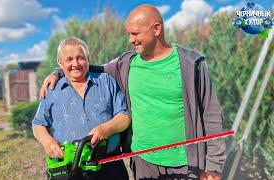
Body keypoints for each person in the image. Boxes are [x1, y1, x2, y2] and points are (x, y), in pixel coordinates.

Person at [40, 4, 225, 180]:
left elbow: (211, 115)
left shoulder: (191, 64)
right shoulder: (126, 64)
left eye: (135, 33)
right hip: (143, 162)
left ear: (157, 29)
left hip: (185, 163)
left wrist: (213, 166)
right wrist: (58, 72)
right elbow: (85, 68)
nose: (131, 39)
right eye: (129, 34)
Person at [32, 38, 130, 180]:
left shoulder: (106, 81)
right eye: (69, 59)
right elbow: (38, 123)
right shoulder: (52, 89)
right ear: (60, 63)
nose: (75, 64)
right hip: (69, 168)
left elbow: (124, 116)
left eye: (80, 58)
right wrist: (48, 142)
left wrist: (106, 129)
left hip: (108, 163)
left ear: (87, 59)